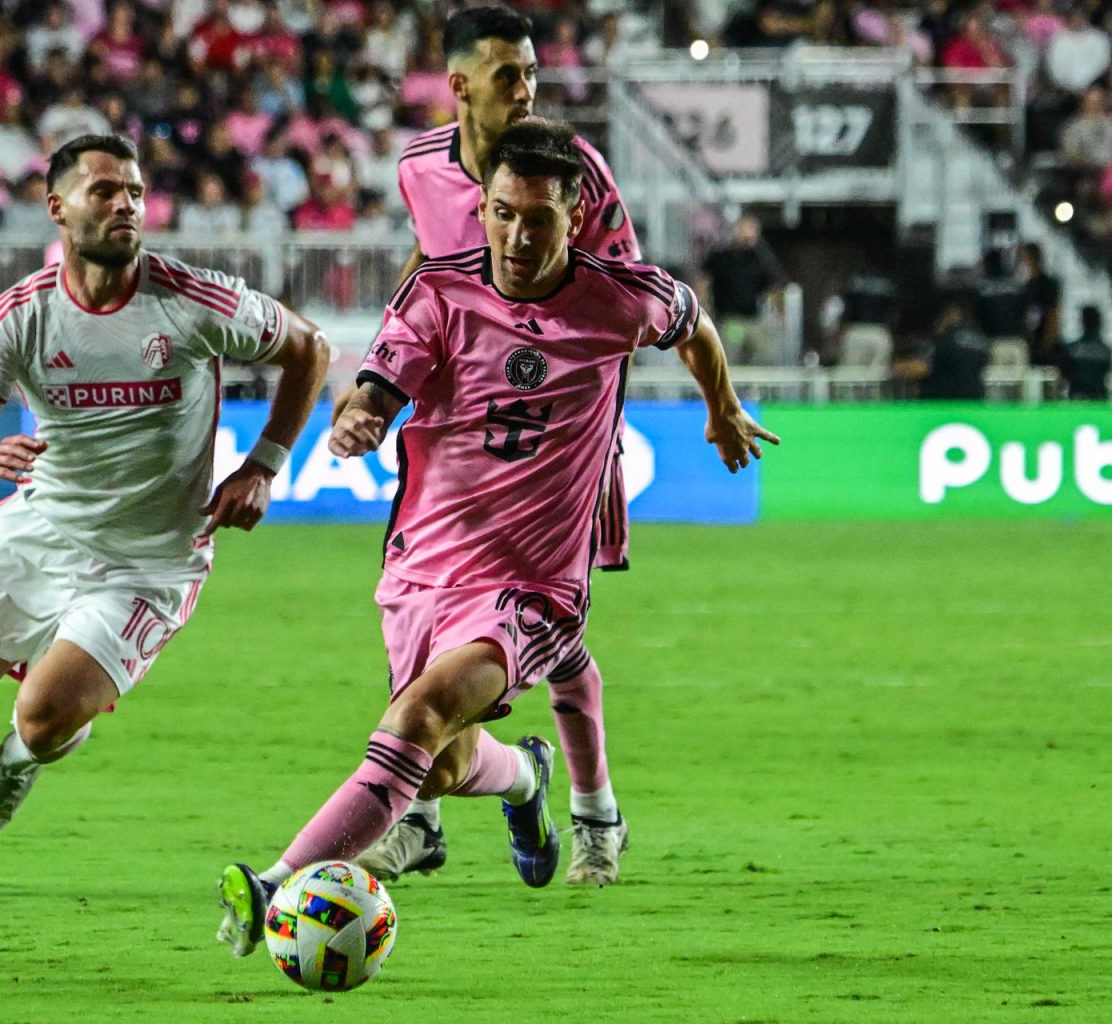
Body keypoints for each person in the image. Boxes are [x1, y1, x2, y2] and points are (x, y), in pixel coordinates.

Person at [216, 120, 778, 958]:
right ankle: (524, 776)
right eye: (503, 212)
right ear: (482, 206)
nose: (518, 236)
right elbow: (381, 378)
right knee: (439, 765)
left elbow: (694, 327)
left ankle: (276, 885)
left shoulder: (623, 296)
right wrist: (365, 414)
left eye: (539, 218)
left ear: (575, 213)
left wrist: (721, 405)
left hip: (534, 585)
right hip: (424, 566)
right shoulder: (439, 291)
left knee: (420, 713)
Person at [0, 134, 330, 898]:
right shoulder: (22, 315)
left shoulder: (193, 299)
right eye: (105, 191)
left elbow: (309, 348)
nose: (126, 205)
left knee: (43, 716)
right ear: (57, 209)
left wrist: (263, 466)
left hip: (151, 556)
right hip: (42, 530)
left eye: (136, 193)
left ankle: (19, 759)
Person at [351, 3, 644, 891]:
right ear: (461, 86)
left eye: (532, 74)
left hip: (549, 440)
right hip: (448, 437)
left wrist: (593, 451)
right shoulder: (416, 166)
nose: (526, 90)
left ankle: (595, 815)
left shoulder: (573, 172)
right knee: (424, 616)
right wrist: (379, 370)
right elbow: (428, 264)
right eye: (509, 75)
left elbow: (619, 303)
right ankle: (425, 820)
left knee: (549, 640)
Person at [700, 215, 783, 365]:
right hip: (731, 320)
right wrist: (706, 308)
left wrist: (780, 315)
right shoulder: (720, 257)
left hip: (753, 319)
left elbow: (773, 288)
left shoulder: (760, 259)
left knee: (766, 354)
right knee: (730, 356)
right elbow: (704, 283)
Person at [1060, 306, 1111, 400]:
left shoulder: (1072, 349)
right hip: (1099, 399)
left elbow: (1064, 373)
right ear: (1099, 322)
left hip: (1077, 399)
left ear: (1082, 322)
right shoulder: (1106, 351)